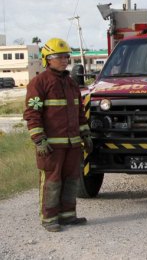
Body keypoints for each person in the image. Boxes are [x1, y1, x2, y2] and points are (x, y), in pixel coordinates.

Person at [23, 38, 92, 232]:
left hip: (72, 145)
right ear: (47, 59)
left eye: (66, 56)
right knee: (52, 182)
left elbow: (79, 113)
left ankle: (68, 216)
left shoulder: (71, 84)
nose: (63, 60)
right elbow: (32, 114)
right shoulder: (39, 83)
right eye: (58, 57)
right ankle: (49, 219)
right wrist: (39, 139)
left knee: (72, 180)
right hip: (51, 146)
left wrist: (85, 135)